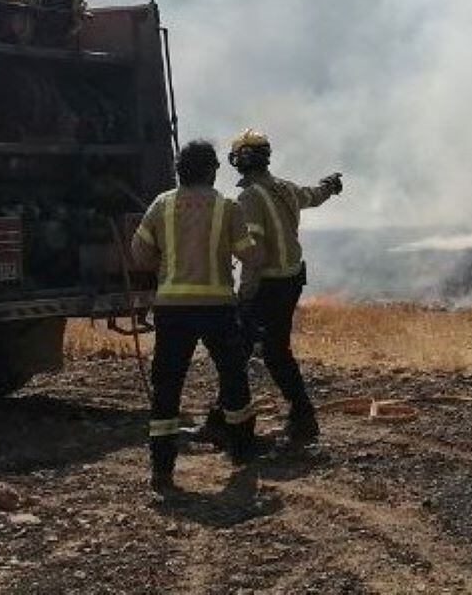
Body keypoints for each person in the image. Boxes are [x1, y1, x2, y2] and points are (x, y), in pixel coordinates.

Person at [130, 139, 260, 493]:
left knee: (168, 386)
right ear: (211, 170)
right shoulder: (227, 207)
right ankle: (243, 452)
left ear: (180, 170)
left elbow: (139, 254)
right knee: (233, 377)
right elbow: (250, 257)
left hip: (172, 308)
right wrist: (246, 294)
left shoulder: (162, 204)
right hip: (218, 307)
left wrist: (168, 268)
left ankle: (162, 469)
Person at [227, 128, 343, 444]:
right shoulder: (285, 189)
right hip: (291, 281)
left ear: (240, 160)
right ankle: (301, 417)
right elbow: (313, 195)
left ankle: (232, 424)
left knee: (239, 354)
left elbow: (254, 254)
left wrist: (244, 297)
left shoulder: (249, 197)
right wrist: (330, 186)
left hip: (267, 287)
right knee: (276, 351)